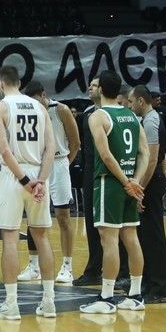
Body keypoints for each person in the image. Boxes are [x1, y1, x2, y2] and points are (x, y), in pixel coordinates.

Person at [0, 65, 57, 320]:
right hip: (39, 174)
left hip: (14, 176)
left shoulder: (0, 108)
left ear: (1, 84)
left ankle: (11, 304)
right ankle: (49, 302)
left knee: (9, 240)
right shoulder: (40, 107)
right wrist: (40, 180)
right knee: (42, 238)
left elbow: (4, 150)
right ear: (19, 82)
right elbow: (51, 148)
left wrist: (25, 180)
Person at [80, 70, 148, 315]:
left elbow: (106, 156)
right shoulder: (131, 115)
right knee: (131, 238)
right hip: (130, 183)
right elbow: (145, 153)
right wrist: (135, 181)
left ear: (100, 90)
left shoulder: (98, 116)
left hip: (110, 183)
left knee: (108, 241)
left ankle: (106, 297)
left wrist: (125, 182)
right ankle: (136, 295)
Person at [17, 80, 80, 285]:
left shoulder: (60, 110)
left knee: (63, 217)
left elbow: (76, 142)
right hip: (37, 165)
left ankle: (67, 266)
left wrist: (65, 166)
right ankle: (33, 265)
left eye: (36, 101)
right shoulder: (27, 112)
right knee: (33, 217)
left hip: (59, 162)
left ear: (44, 95)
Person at [126, 85, 166, 304]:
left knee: (154, 236)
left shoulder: (151, 121)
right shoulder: (149, 119)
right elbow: (161, 156)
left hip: (151, 184)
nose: (128, 104)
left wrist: (140, 190)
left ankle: (160, 288)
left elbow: (153, 158)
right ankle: (149, 283)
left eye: (130, 101)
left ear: (140, 101)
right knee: (146, 235)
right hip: (153, 180)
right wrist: (165, 169)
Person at [73, 76, 103, 286]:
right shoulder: (86, 114)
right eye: (90, 85)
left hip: (109, 171)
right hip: (89, 171)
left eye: (94, 85)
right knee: (91, 223)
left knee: (113, 227)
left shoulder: (113, 113)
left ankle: (122, 272)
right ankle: (94, 270)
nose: (89, 88)